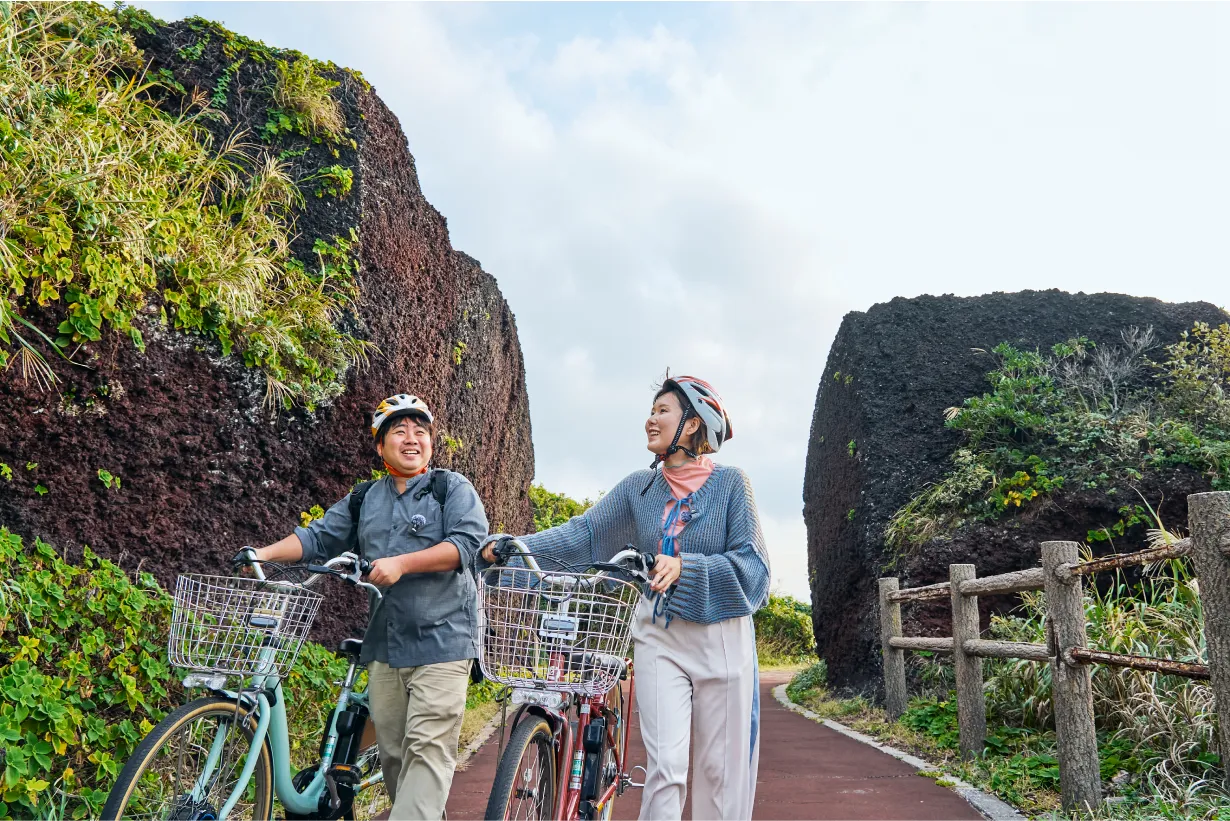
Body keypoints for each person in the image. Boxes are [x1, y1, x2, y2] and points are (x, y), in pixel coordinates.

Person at [481, 374, 770, 821]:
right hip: (659, 634)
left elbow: (755, 570)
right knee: (665, 769)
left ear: (692, 424)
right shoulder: (640, 487)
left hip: (723, 637)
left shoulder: (732, 484)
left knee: (721, 773)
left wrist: (687, 567)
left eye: (663, 411)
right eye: (652, 411)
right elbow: (584, 534)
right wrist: (514, 549)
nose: (651, 420)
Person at [250, 393, 488, 821]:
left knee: (428, 751)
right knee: (396, 758)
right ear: (380, 446)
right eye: (399, 431)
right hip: (385, 646)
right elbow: (319, 537)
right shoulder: (365, 499)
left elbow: (467, 545)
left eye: (421, 431)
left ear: (431, 443)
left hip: (445, 641)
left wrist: (401, 563)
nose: (412, 438)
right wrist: (262, 554)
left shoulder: (451, 488)